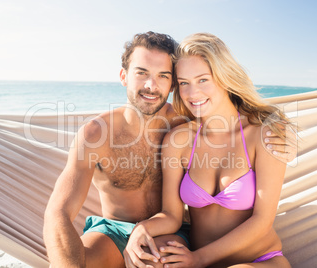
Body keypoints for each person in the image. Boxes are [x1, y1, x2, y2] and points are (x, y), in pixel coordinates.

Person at [43, 31, 295, 267]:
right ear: (124, 76)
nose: (152, 86)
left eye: (163, 75)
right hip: (129, 231)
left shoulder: (257, 133)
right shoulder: (167, 136)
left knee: (160, 259)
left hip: (218, 247)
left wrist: (279, 130)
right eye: (142, 73)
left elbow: (262, 218)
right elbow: (59, 212)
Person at [124, 33, 294, 268]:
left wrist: (198, 258)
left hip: (258, 261)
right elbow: (171, 216)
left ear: (224, 78)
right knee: (151, 258)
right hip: (198, 259)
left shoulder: (263, 134)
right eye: (184, 83)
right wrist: (140, 230)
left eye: (203, 80)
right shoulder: (179, 140)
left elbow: (262, 221)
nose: (192, 94)